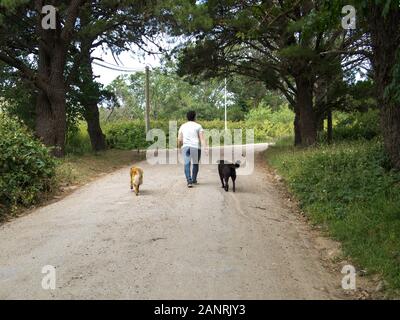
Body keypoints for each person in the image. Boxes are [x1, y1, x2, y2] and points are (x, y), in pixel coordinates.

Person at [178, 111, 209, 188]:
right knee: (195, 164)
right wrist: (205, 148)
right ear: (195, 117)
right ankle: (194, 180)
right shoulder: (198, 126)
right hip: (196, 147)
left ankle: (189, 181)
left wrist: (179, 147)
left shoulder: (183, 126)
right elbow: (202, 139)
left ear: (187, 117)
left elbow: (179, 139)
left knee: (187, 164)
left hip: (186, 147)